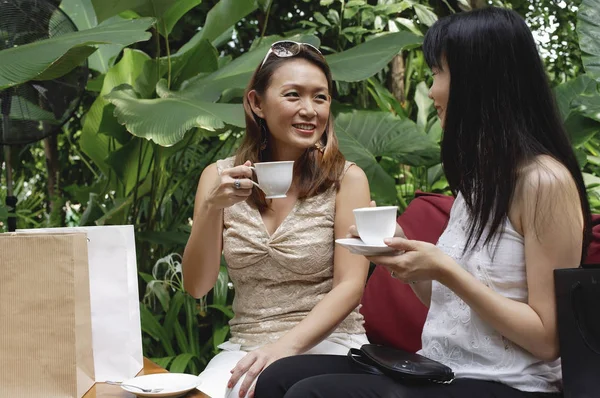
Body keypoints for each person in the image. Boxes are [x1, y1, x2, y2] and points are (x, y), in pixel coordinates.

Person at [254, 7, 592, 398]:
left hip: (509, 384)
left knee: (310, 394)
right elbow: (451, 305)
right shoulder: (482, 181)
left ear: (477, 79)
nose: (431, 91)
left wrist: (447, 270)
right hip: (443, 370)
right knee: (280, 376)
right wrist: (408, 264)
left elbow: (548, 339)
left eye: (437, 74)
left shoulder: (545, 182)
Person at [182, 40, 371, 398]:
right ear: (257, 103)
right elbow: (197, 286)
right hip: (247, 348)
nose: (309, 110)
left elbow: (350, 287)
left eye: (320, 97)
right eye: (293, 95)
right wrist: (211, 208)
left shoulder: (347, 179)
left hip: (331, 344)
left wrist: (283, 349)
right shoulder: (218, 177)